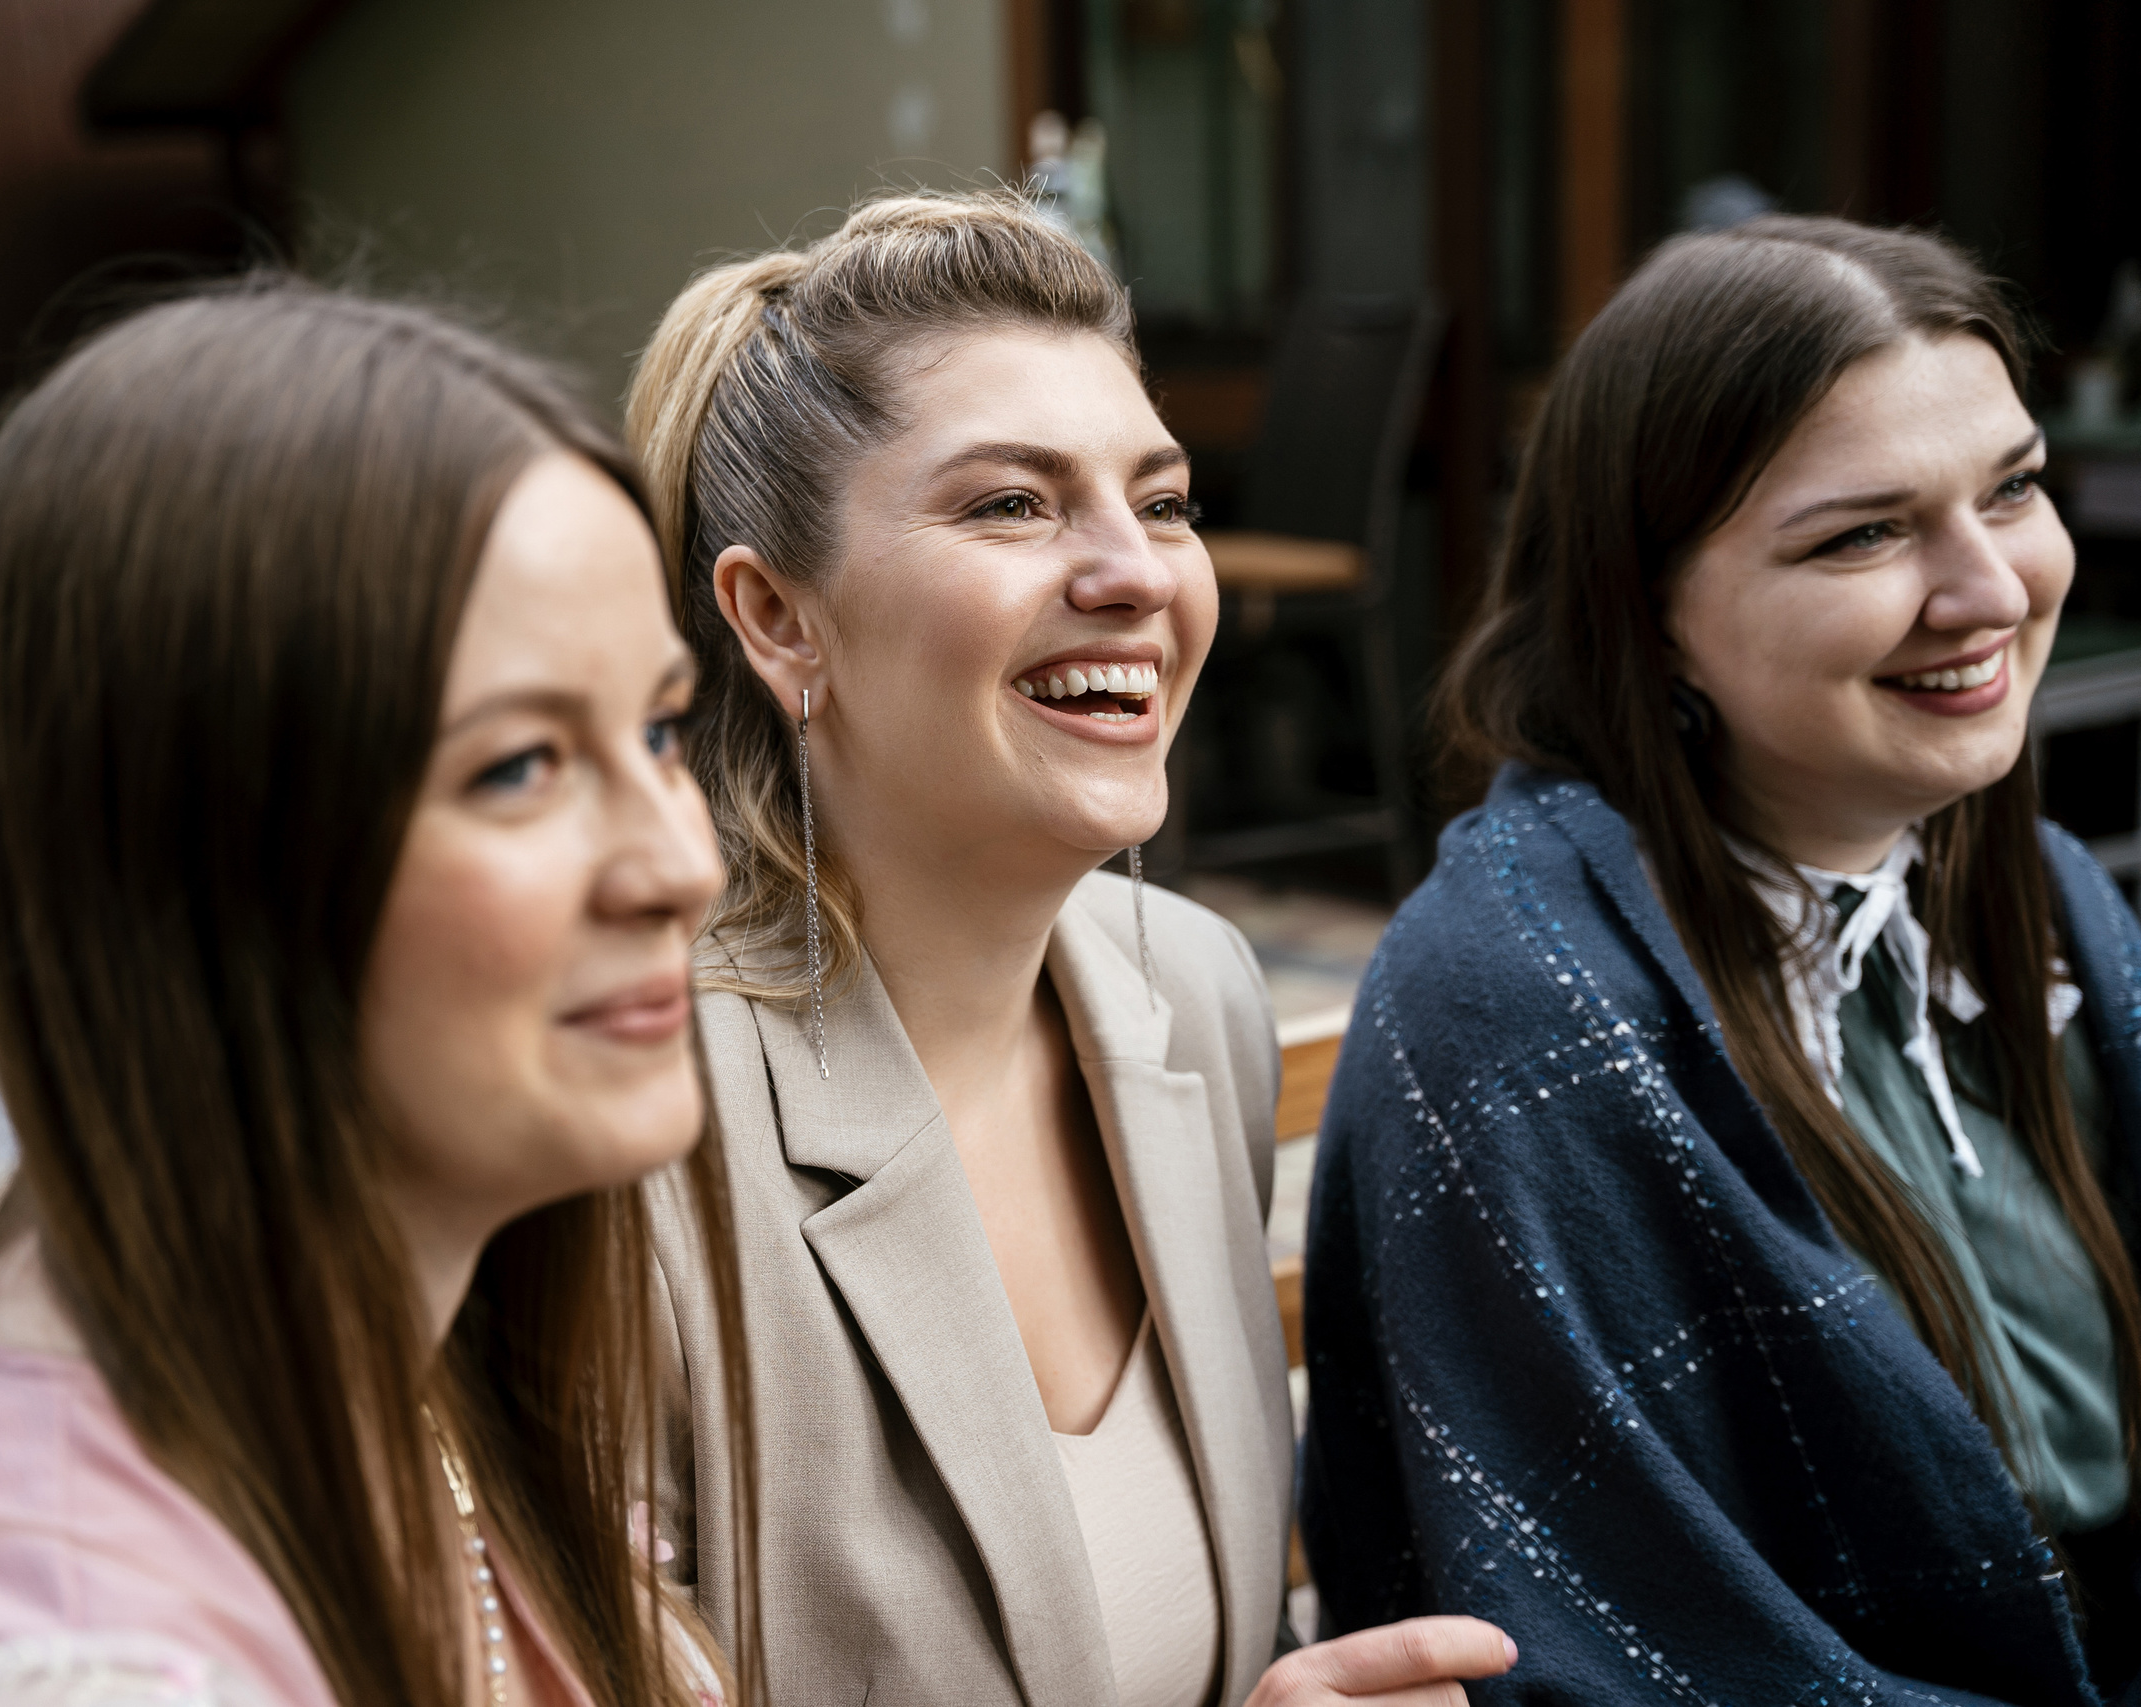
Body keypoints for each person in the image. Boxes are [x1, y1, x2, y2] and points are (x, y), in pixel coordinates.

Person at [0, 285, 759, 1706]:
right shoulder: (61, 1663)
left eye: (656, 728)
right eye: (518, 764)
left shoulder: (409, 1365)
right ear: (182, 864)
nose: (681, 861)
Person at [628, 190, 1513, 1706]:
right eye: (1011, 506)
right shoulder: (639, 1133)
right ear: (779, 617)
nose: (1139, 575)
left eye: (1162, 502)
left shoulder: (1193, 990)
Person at [1302, 215, 2141, 1703]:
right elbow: (1627, 1652)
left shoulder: (2044, 895)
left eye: (2011, 489)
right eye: (1864, 533)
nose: (1991, 589)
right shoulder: (1515, 1014)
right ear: (1653, 613)